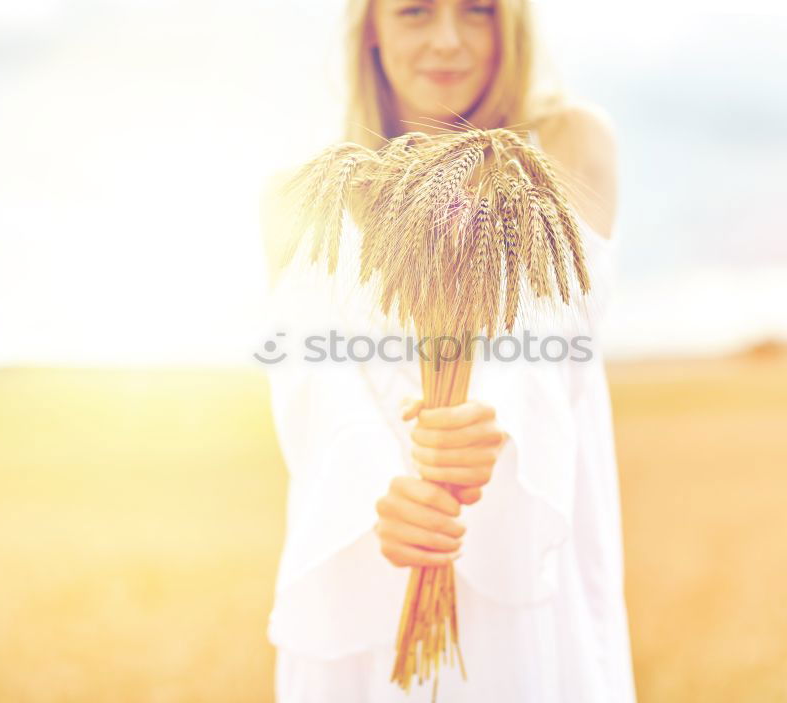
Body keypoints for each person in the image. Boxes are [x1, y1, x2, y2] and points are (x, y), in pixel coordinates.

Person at [259, 0, 635, 700]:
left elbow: (557, 319)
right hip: (365, 551)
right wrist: (377, 487)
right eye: (415, 12)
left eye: (479, 11)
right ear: (370, 26)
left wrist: (483, 420)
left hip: (517, 539)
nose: (449, 41)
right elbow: (307, 369)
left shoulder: (568, 139)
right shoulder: (301, 186)